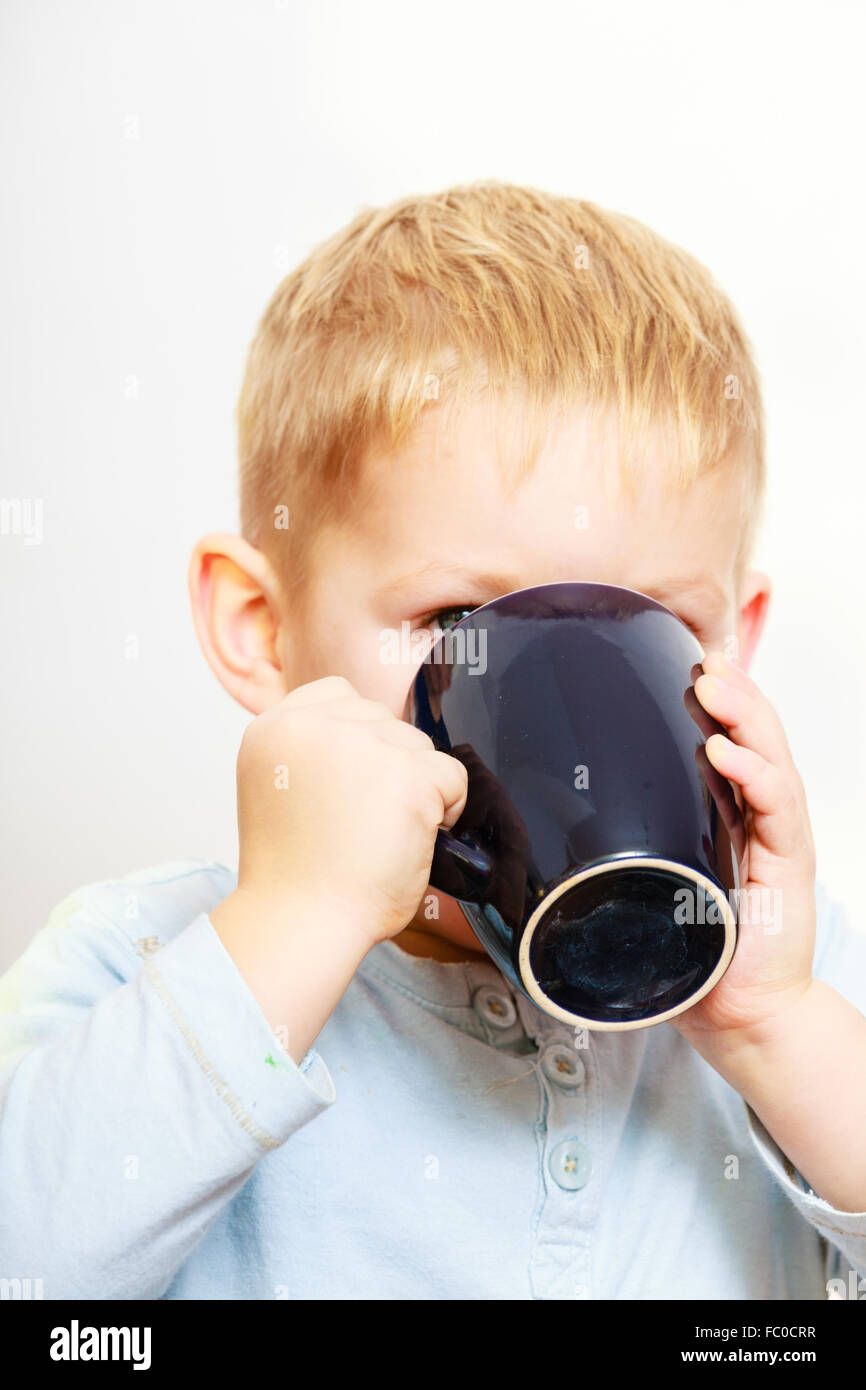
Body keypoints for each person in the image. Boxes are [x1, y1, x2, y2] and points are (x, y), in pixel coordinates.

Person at [2, 182, 864, 1300]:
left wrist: (777, 1029)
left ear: (729, 650)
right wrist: (289, 928)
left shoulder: (796, 981)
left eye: (650, 628)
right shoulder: (149, 961)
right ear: (261, 628)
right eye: (461, 623)